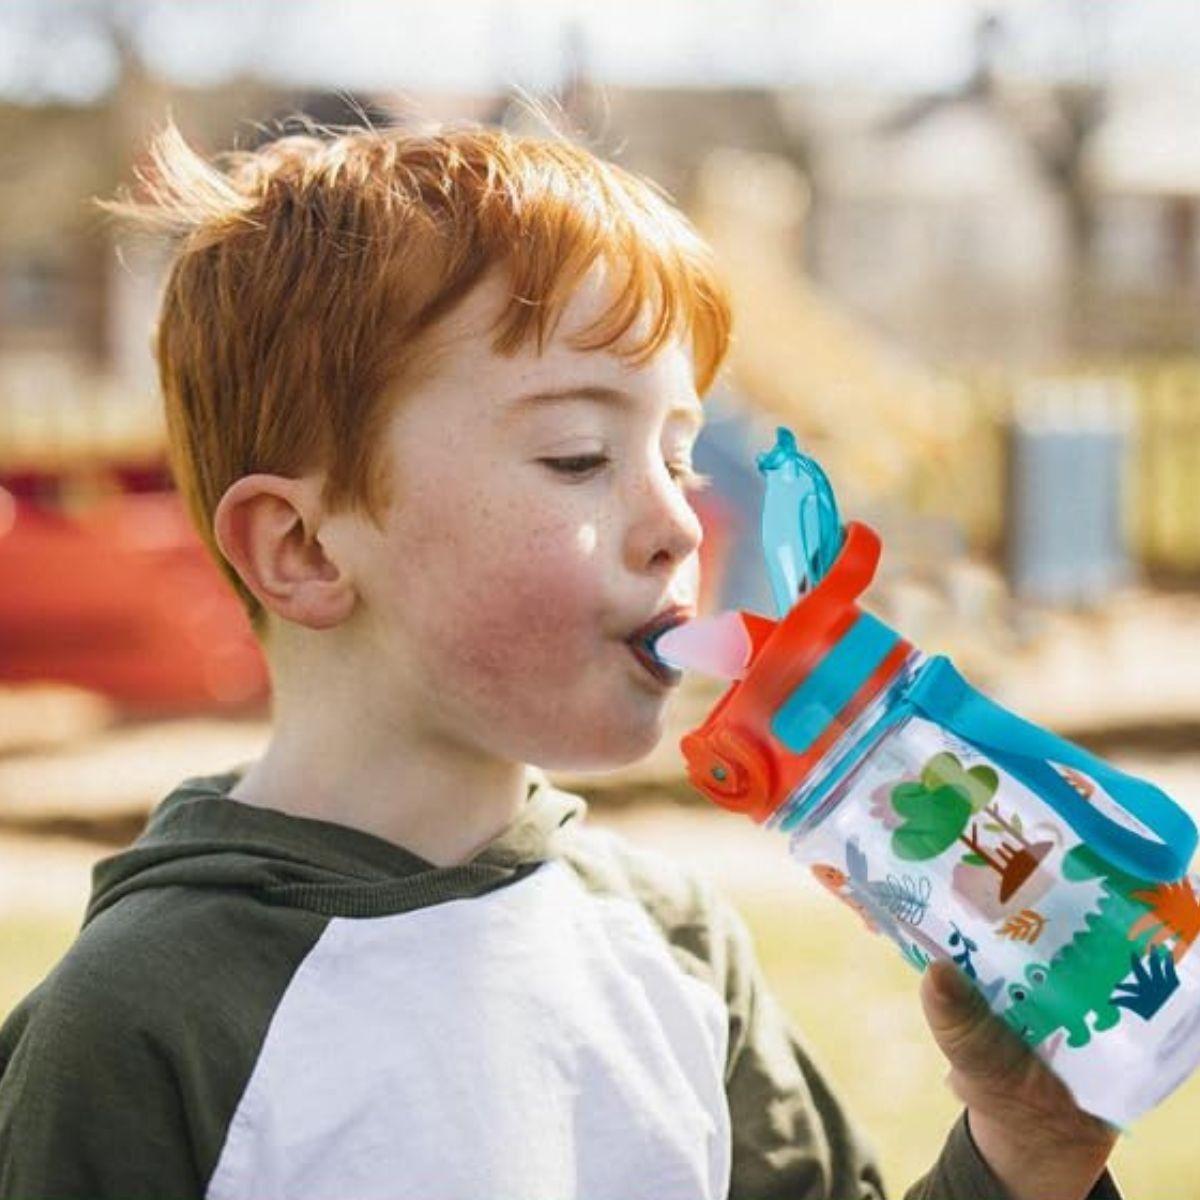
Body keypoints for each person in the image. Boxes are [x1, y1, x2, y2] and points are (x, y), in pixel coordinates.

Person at [0, 116, 1120, 1200]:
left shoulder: (675, 944)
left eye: (678, 457)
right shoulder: (139, 1025)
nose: (680, 522)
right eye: (580, 455)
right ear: (302, 548)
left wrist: (1022, 1157)